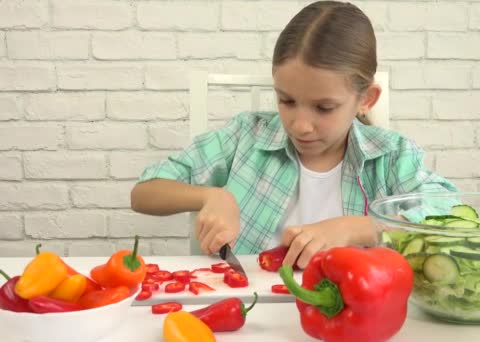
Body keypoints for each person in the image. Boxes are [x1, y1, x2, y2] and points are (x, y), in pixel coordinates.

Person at [131, 0, 457, 269]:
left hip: (350, 311)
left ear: (366, 99)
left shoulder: (392, 156)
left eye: (324, 108)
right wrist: (210, 196)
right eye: (286, 101)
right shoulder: (246, 136)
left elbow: (451, 216)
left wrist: (360, 228)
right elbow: (144, 192)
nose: (301, 125)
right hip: (249, 305)